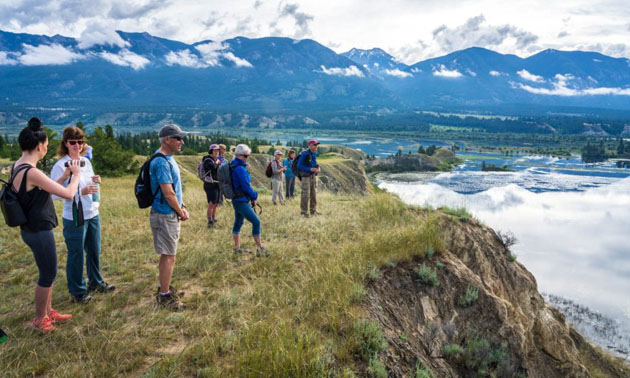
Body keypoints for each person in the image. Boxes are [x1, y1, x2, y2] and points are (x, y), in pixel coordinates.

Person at [12, 117, 81, 332]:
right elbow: (69, 195)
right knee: (48, 274)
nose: (47, 149)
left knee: (48, 271)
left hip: (31, 228)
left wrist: (63, 176)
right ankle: (40, 318)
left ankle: (49, 312)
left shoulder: (19, 166)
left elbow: (44, 189)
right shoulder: (32, 171)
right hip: (38, 230)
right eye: (47, 146)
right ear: (40, 146)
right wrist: (76, 176)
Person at [51, 126, 114, 304]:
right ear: (65, 144)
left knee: (94, 250)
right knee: (76, 253)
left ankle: (96, 282)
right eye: (73, 142)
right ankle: (77, 292)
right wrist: (82, 192)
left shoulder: (86, 162)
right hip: (74, 216)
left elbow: (89, 182)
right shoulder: (61, 166)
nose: (77, 145)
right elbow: (54, 194)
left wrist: (96, 182)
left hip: (92, 213)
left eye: (80, 142)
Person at [150, 124, 189, 310]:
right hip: (166, 215)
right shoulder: (161, 162)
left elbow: (173, 191)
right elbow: (168, 192)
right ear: (167, 139)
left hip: (169, 212)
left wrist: (181, 206)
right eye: (178, 138)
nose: (182, 142)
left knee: (168, 254)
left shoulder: (167, 159)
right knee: (169, 256)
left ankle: (165, 288)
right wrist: (180, 212)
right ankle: (164, 295)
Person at [231, 144, 270, 257]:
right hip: (241, 200)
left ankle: (237, 248)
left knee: (238, 222)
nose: (248, 158)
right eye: (246, 155)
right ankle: (259, 248)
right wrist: (254, 196)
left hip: (237, 200)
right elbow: (246, 187)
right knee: (256, 222)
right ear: (239, 155)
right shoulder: (240, 169)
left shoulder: (234, 166)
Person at [297, 139, 321, 217]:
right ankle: (303, 212)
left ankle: (313, 210)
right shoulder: (304, 154)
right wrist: (310, 169)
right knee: (305, 194)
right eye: (314, 145)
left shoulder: (314, 153)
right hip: (306, 177)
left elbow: (314, 163)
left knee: (313, 194)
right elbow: (299, 166)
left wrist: (318, 168)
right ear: (310, 145)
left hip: (313, 176)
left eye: (317, 145)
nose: (316, 146)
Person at [202, 144, 221, 227]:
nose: (216, 153)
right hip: (210, 184)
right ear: (211, 152)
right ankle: (210, 221)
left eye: (218, 151)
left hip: (216, 183)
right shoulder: (207, 160)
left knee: (215, 203)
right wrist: (217, 162)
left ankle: (213, 218)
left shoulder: (214, 160)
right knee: (211, 204)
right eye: (215, 151)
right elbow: (213, 168)